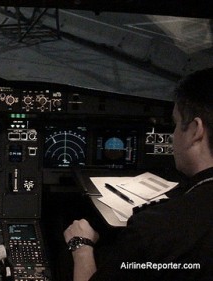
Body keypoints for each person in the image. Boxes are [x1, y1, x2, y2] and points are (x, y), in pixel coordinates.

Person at [63, 68, 213, 281]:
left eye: (176, 124)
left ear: (196, 130)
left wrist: (81, 246)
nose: (173, 136)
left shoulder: (154, 229)